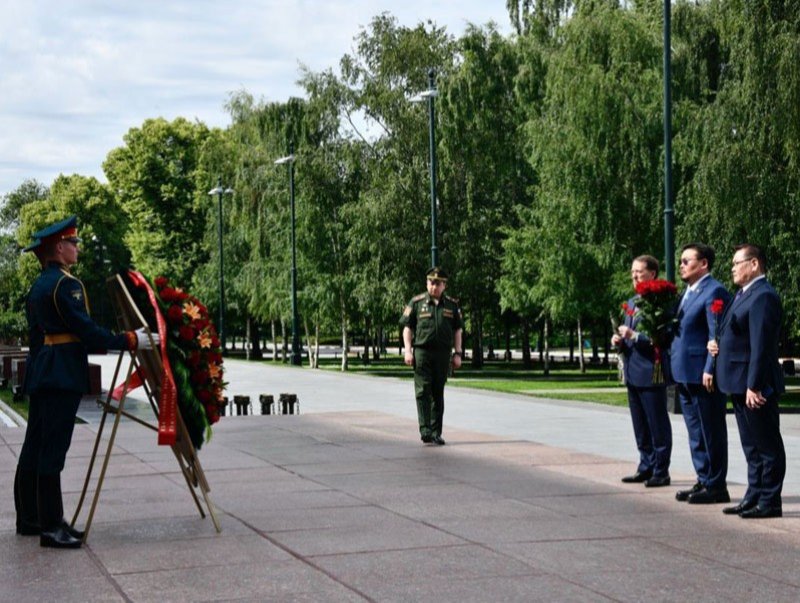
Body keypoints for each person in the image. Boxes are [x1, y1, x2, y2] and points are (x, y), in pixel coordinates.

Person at [15, 216, 158, 549]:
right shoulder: (66, 286)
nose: (77, 248)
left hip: (44, 373)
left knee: (35, 447)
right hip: (62, 375)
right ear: (59, 248)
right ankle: (51, 527)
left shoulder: (39, 286)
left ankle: (31, 518)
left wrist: (37, 372)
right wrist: (130, 340)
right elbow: (89, 334)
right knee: (52, 451)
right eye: (73, 243)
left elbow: (38, 339)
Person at [709, 244, 786, 519]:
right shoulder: (743, 294)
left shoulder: (763, 296)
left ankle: (769, 501)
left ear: (754, 264)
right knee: (751, 446)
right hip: (739, 383)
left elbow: (761, 345)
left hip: (755, 386)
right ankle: (754, 495)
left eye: (737, 262)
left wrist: (754, 385)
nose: (732, 268)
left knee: (767, 447)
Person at [669, 243, 731, 504]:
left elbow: (715, 333)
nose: (681, 265)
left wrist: (710, 368)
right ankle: (704, 478)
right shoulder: (688, 292)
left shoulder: (714, 290)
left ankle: (717, 485)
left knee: (711, 431)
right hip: (684, 373)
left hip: (702, 374)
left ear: (703, 263)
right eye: (681, 261)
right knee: (695, 431)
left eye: (686, 260)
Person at [612, 255, 672, 487]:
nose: (635, 276)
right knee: (640, 425)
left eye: (639, 271)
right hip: (633, 371)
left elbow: (663, 337)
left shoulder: (660, 301)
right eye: (632, 272)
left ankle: (660, 470)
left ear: (653, 274)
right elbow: (629, 337)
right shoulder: (632, 301)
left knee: (657, 424)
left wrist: (634, 335)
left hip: (651, 371)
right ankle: (645, 465)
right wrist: (619, 340)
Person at [399, 267, 463, 445]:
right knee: (422, 391)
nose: (433, 286)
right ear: (427, 283)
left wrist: (458, 353)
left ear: (444, 285)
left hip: (442, 355)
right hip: (422, 352)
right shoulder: (417, 302)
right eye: (430, 282)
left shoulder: (452, 305)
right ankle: (425, 429)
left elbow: (458, 329)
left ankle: (436, 432)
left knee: (438, 392)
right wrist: (408, 350)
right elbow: (407, 328)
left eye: (437, 283)